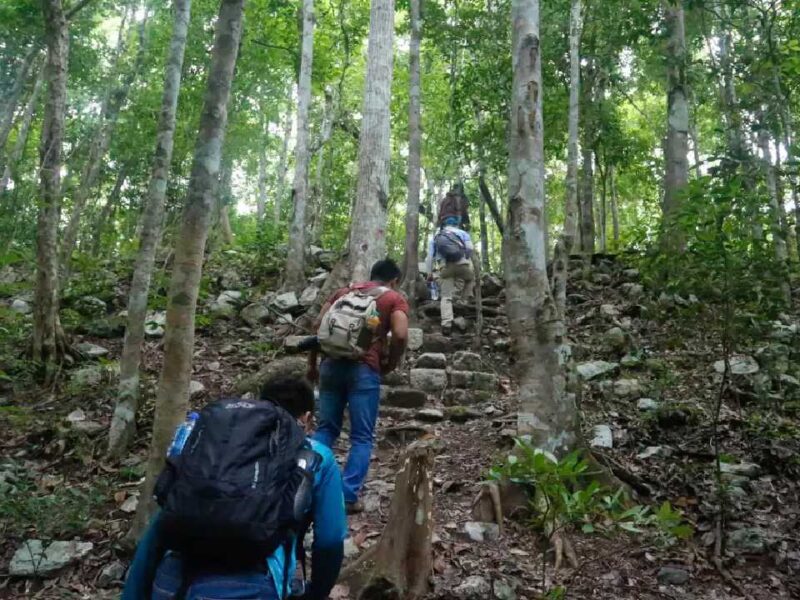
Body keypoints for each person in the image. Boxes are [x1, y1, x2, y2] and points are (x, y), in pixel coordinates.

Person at [121, 377, 347, 600]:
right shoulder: (317, 456)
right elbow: (330, 540)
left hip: (172, 581)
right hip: (250, 587)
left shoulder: (211, 447)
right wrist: (317, 592)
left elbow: (157, 531)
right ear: (307, 419)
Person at [307, 258, 409, 514]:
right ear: (394, 280)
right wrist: (391, 363)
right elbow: (400, 333)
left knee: (326, 428)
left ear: (372, 275)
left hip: (330, 365)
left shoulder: (344, 292)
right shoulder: (393, 298)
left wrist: (312, 365)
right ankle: (348, 496)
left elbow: (316, 326)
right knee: (362, 436)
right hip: (364, 369)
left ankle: (307, 482)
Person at [425, 216, 475, 335]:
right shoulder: (463, 233)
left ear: (445, 225)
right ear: (456, 225)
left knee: (446, 296)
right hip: (462, 265)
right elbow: (470, 249)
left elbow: (429, 257)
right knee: (470, 280)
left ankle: (446, 324)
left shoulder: (437, 236)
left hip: (445, 267)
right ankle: (462, 302)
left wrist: (429, 273)